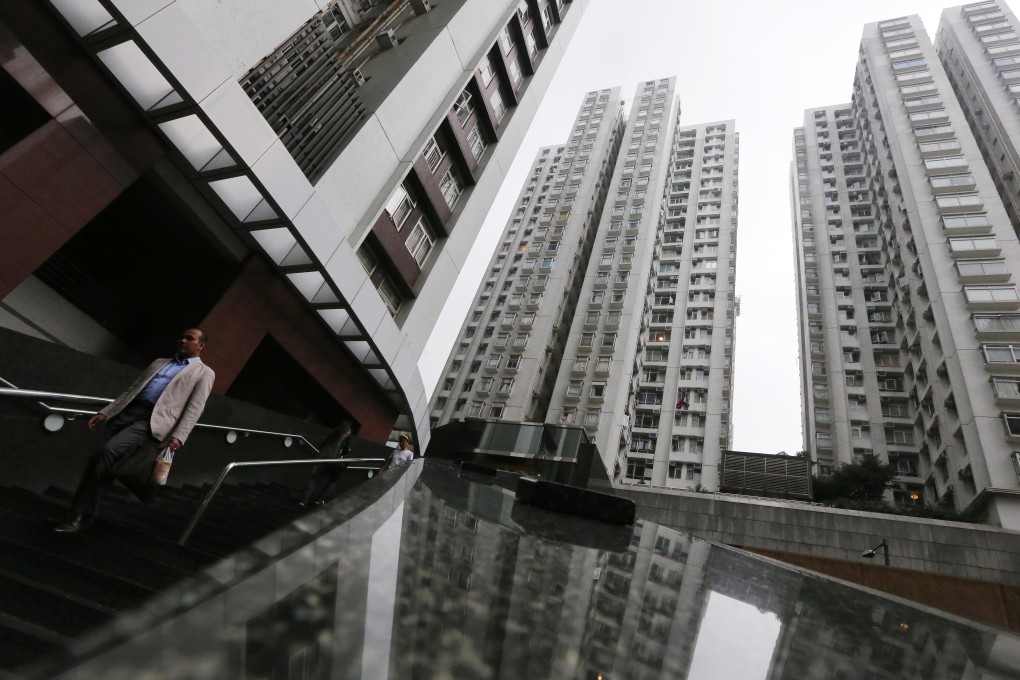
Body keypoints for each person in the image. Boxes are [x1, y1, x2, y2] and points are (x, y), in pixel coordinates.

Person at [54, 329, 215, 534]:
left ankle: (77, 516)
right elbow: (133, 389)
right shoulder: (160, 362)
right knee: (103, 466)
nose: (183, 340)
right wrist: (107, 412)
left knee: (103, 454)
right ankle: (80, 517)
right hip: (127, 415)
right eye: (182, 337)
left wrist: (179, 436)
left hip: (150, 423)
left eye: (189, 338)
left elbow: (195, 407)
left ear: (201, 346)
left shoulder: (204, 373)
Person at [299, 421, 353, 507]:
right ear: (348, 430)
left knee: (315, 479)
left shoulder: (334, 433)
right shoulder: (346, 438)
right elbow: (346, 451)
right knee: (333, 481)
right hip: (333, 462)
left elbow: (323, 444)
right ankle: (320, 499)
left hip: (322, 459)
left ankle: (304, 500)